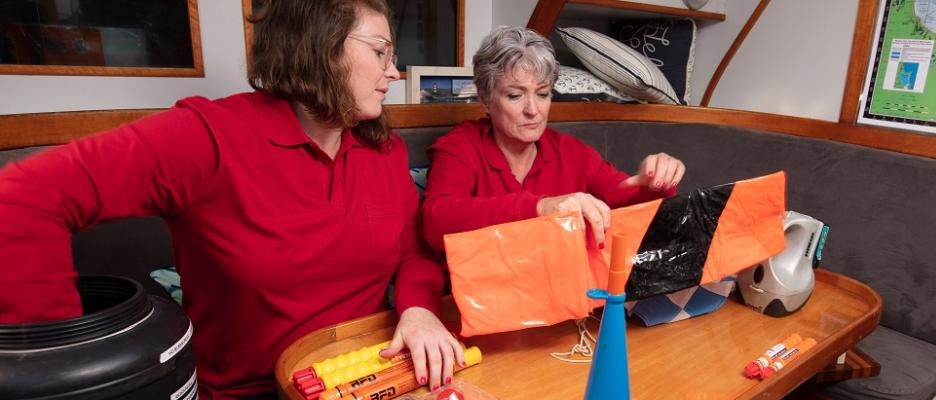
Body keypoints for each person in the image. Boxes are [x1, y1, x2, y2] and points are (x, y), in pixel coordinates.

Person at [0, 1, 462, 397]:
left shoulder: (383, 149)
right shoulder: (207, 138)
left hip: (369, 377)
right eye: (380, 51)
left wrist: (419, 309)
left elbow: (411, 250)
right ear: (319, 45)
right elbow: (20, 200)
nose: (393, 71)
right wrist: (60, 360)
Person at [421, 26, 686, 253]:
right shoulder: (459, 147)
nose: (533, 109)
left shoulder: (572, 152)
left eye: (543, 93)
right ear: (484, 99)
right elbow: (435, 222)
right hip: (485, 301)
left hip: (560, 295)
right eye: (515, 95)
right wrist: (539, 207)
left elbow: (629, 201)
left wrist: (655, 183)